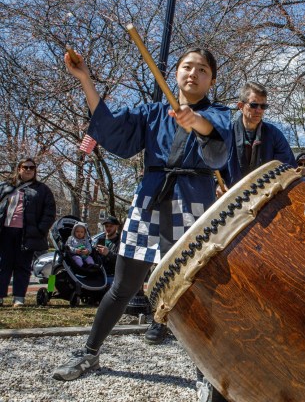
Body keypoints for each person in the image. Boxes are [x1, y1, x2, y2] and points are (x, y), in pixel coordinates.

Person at [53, 45, 232, 400]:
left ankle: (207, 372)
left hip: (193, 202)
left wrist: (196, 122)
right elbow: (112, 127)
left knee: (196, 290)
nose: (193, 73)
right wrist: (85, 79)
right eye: (186, 67)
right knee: (123, 286)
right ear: (176, 72)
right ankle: (89, 352)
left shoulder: (220, 114)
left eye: (202, 70)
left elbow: (219, 145)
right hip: (150, 198)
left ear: (211, 79)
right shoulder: (152, 112)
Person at [0, 158, 56, 307]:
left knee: (23, 266)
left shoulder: (42, 190)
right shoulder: (6, 186)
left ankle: (19, 297)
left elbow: (49, 212)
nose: (29, 170)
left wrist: (40, 230)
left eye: (32, 167)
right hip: (5, 231)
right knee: (3, 264)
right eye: (25, 167)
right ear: (19, 168)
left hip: (28, 234)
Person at [223, 82, 295, 188]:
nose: (259, 110)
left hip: (267, 199)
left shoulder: (275, 134)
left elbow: (288, 169)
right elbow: (213, 168)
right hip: (232, 198)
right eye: (254, 105)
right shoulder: (226, 134)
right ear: (240, 106)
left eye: (263, 106)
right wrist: (217, 184)